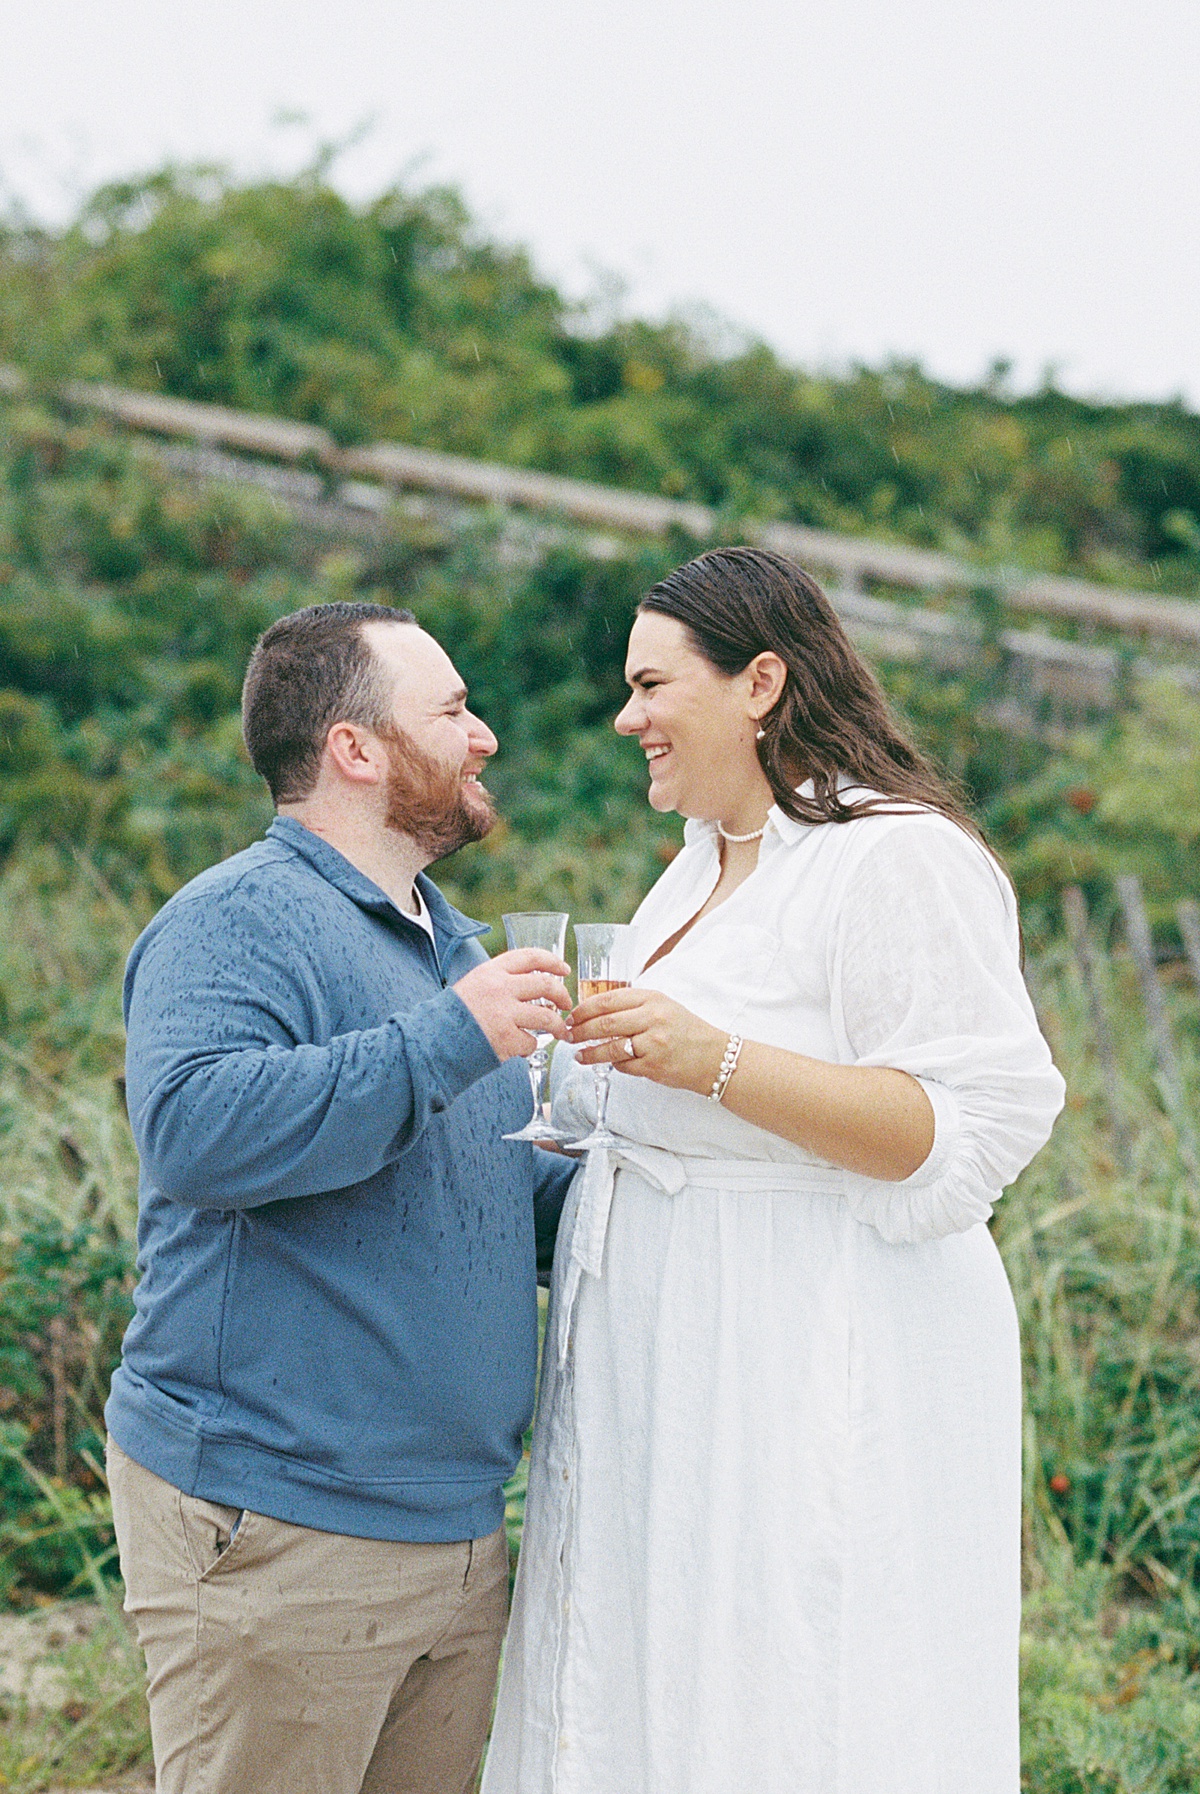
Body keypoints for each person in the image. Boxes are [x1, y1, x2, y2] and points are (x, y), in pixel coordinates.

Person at [483, 548, 1066, 1794]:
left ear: (760, 681)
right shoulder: (696, 861)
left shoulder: (895, 856)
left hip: (803, 1340)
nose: (626, 717)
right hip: (668, 1346)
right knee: (658, 1669)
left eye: (651, 684)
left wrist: (714, 1060)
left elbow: (954, 1121)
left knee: (792, 1674)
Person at [105, 599, 576, 1794]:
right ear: (355, 750)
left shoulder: (452, 952)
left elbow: (495, 1198)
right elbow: (197, 1136)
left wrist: (693, 1168)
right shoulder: (233, 921)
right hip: (282, 1529)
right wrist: (444, 1045)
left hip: (458, 1538)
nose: (486, 739)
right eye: (456, 710)